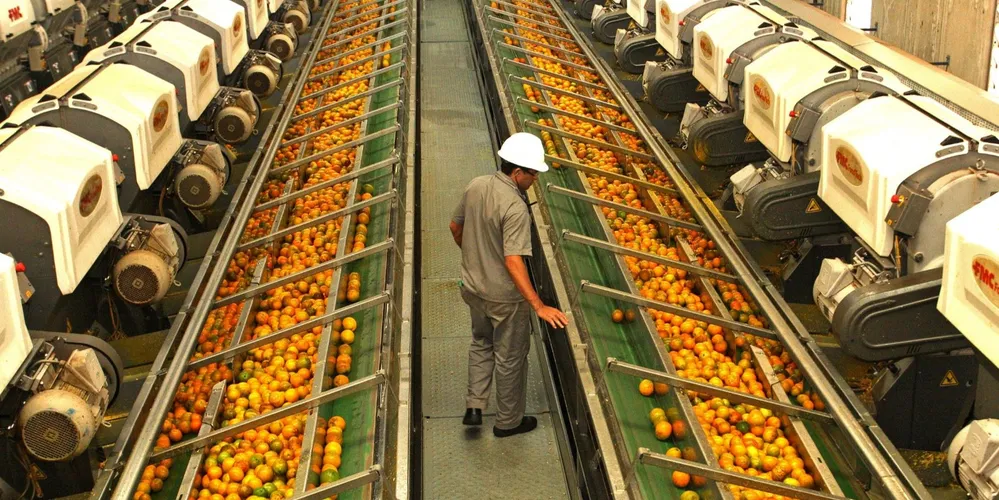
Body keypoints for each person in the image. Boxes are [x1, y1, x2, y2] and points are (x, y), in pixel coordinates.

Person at [449, 132, 569, 438]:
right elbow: (514, 261)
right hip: (503, 298)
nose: (535, 180)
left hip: (473, 288)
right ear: (517, 172)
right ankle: (508, 422)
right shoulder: (515, 208)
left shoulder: (476, 184)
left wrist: (476, 256)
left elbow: (455, 226)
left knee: (481, 342)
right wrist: (538, 306)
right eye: (532, 174)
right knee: (510, 358)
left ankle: (474, 405)